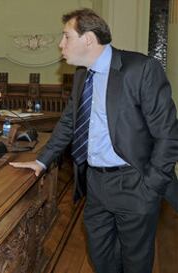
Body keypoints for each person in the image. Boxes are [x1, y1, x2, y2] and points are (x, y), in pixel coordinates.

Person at [10, 8, 178, 273]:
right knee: (101, 258)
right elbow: (68, 123)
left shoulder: (141, 68)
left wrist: (151, 188)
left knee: (136, 263)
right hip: (96, 184)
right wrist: (42, 160)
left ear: (88, 39)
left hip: (135, 183)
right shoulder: (81, 76)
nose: (60, 44)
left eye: (66, 36)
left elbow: (168, 135)